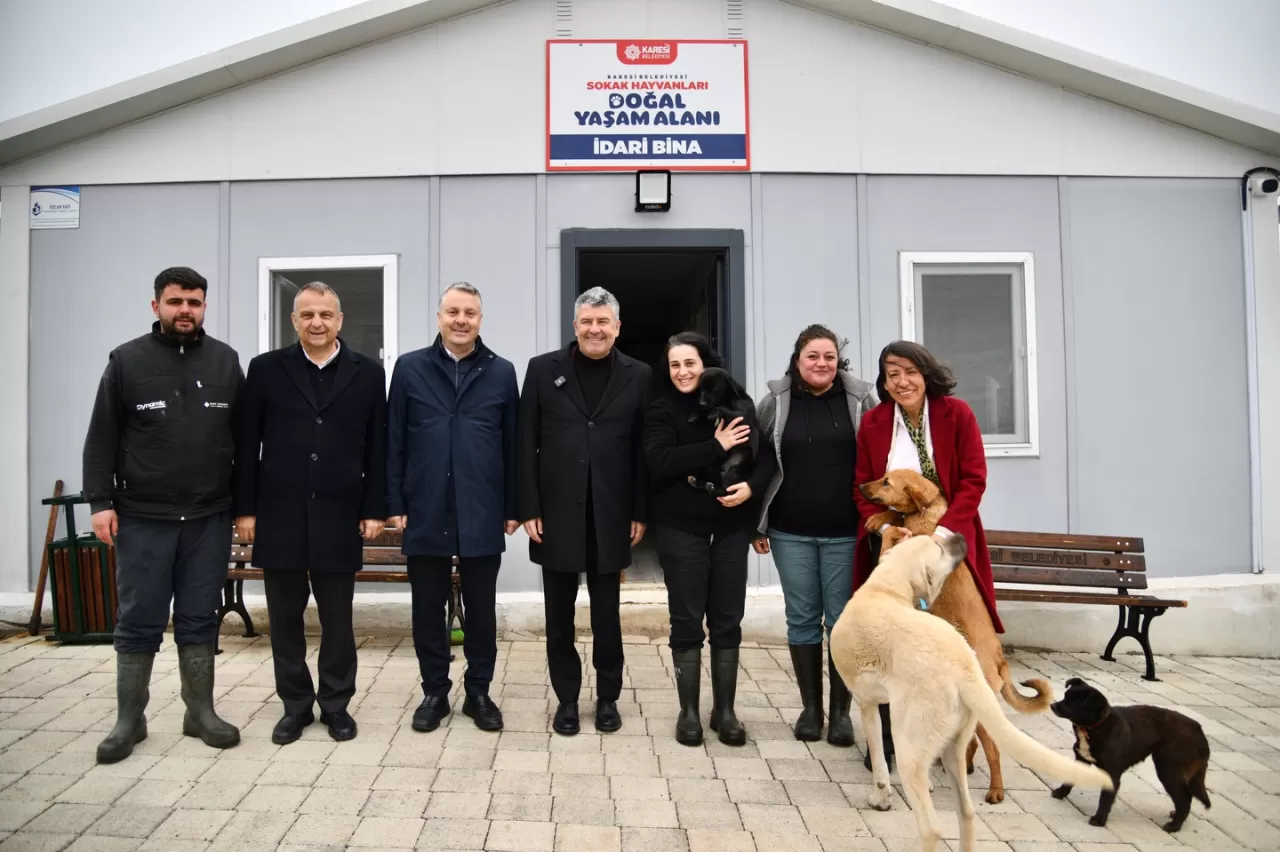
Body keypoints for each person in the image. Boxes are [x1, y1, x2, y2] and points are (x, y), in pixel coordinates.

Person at [83, 266, 245, 764]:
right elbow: (102, 437)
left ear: (204, 307)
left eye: (194, 302)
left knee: (200, 618)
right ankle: (129, 719)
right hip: (143, 518)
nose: (185, 311)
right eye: (175, 302)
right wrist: (100, 502)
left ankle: (199, 713)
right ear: (156, 306)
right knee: (138, 619)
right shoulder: (127, 361)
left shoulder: (225, 361)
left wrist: (243, 508)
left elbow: (241, 439)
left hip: (207, 518)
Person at [233, 281, 387, 745]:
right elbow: (245, 444)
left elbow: (379, 448)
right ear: (294, 321)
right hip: (279, 512)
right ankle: (295, 706)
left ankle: (336, 705)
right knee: (284, 617)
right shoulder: (265, 370)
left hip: (341, 514)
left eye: (325, 314)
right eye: (306, 315)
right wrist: (245, 508)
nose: (316, 322)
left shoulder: (368, 372)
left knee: (338, 619)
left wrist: (374, 507)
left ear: (339, 320)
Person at [853, 339, 1001, 769]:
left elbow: (973, 479)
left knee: (957, 638)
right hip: (896, 549)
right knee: (898, 639)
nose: (901, 382)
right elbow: (863, 486)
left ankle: (958, 734)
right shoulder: (874, 423)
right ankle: (891, 738)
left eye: (909, 372)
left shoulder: (959, 415)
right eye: (891, 374)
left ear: (926, 374)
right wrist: (883, 525)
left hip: (949, 543)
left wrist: (942, 532)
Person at [516, 286, 652, 735]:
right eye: (587, 322)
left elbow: (642, 449)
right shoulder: (541, 370)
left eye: (603, 322)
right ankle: (568, 699)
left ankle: (608, 698)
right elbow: (525, 442)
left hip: (612, 514)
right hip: (554, 514)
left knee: (607, 616)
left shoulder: (639, 374)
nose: (595, 329)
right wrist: (528, 505)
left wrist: (639, 509)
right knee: (559, 615)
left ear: (617, 327)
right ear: (575, 327)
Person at [386, 282, 520, 734]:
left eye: (470, 313)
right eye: (453, 311)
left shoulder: (502, 372)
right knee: (428, 607)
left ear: (481, 319)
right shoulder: (409, 369)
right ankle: (435, 693)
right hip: (425, 506)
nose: (461, 320)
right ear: (439, 316)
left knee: (481, 610)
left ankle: (478, 692)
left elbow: (513, 446)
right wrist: (394, 502)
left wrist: (514, 506)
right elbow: (394, 441)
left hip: (482, 507)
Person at [643, 332, 774, 747]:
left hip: (732, 528)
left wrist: (752, 487)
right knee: (685, 618)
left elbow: (764, 454)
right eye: (675, 365)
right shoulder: (661, 410)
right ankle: (688, 712)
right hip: (681, 525)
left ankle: (725, 711)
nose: (683, 372)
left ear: (706, 364)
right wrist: (715, 445)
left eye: (690, 363)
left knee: (727, 617)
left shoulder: (739, 403)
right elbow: (659, 462)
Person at [750, 324, 878, 746]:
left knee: (842, 624)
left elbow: (879, 458)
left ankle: (841, 713)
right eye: (812, 357)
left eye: (828, 357)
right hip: (790, 532)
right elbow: (760, 457)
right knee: (802, 619)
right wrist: (758, 521)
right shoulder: (777, 401)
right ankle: (811, 709)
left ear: (837, 361)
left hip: (847, 532)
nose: (821, 364)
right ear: (798, 360)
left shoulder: (860, 400)